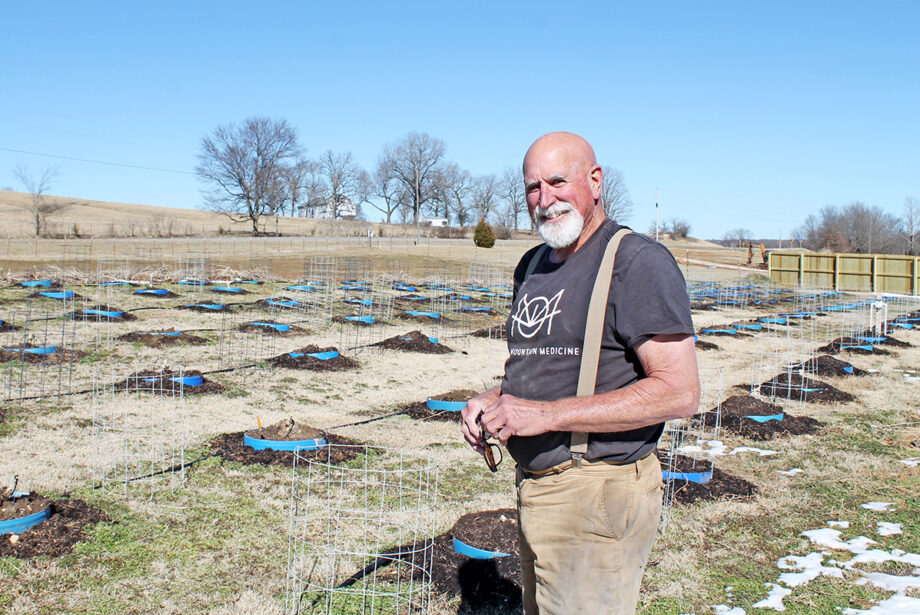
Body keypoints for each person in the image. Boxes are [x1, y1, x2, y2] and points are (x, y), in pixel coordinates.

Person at [461, 131, 700, 614]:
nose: (544, 200)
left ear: (594, 181)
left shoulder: (636, 262)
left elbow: (679, 393)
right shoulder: (533, 265)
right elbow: (547, 364)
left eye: (556, 182)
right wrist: (495, 397)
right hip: (535, 487)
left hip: (597, 491)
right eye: (532, 187)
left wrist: (546, 415)